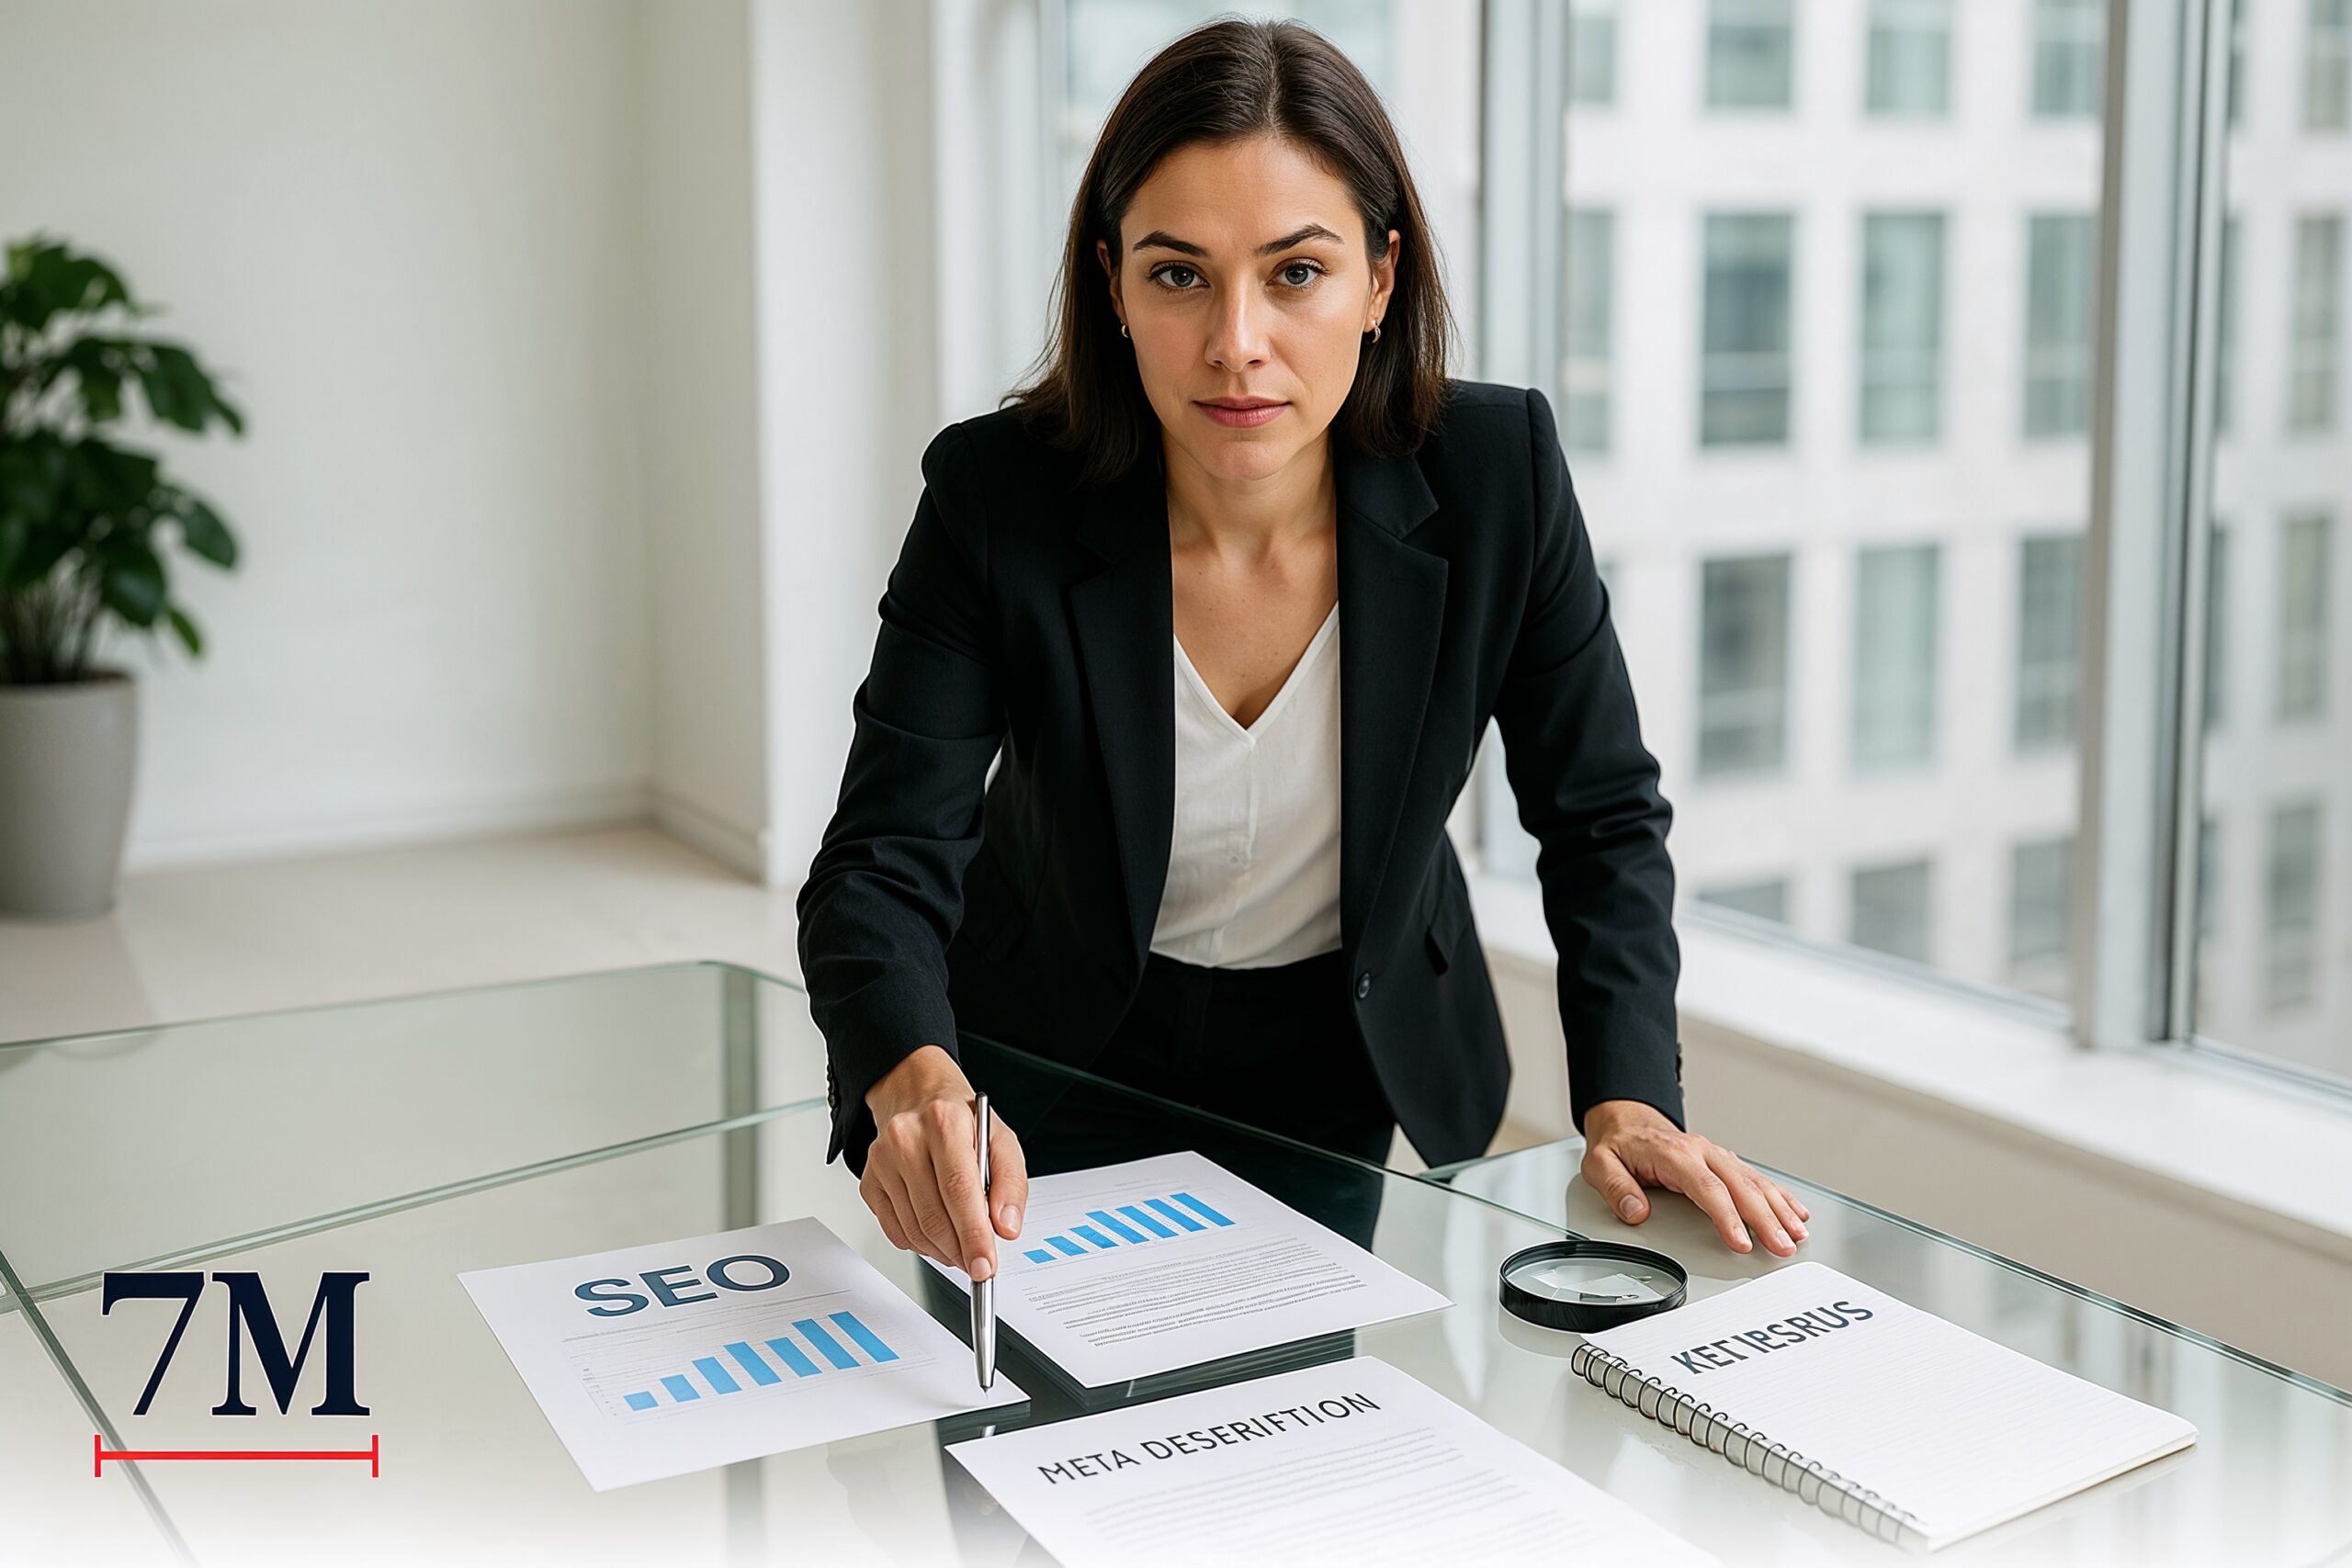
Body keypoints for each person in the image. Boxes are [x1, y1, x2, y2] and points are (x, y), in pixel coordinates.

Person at [796, 17, 1809, 1294]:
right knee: (1021, 1442)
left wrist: (1629, 1098)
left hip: (1339, 1052)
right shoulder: (997, 498)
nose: (1237, 344)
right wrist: (910, 1076)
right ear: (1110, 284)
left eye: (1296, 273)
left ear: (1380, 281)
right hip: (1049, 1044)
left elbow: (1600, 818)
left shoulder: (1500, 480)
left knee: (1295, 1437)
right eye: (1178, 276)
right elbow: (884, 856)